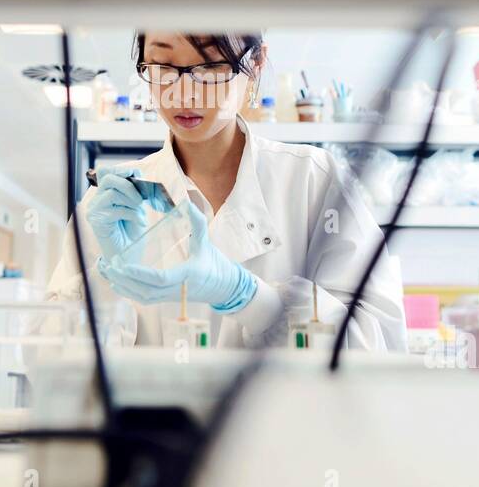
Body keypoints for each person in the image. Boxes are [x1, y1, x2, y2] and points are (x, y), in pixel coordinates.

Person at [46, 31, 406, 350]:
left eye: (210, 67)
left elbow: (382, 345)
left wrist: (251, 298)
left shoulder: (315, 181)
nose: (183, 94)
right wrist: (104, 285)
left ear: (257, 62)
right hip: (150, 427)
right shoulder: (110, 203)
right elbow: (52, 364)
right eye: (164, 66)